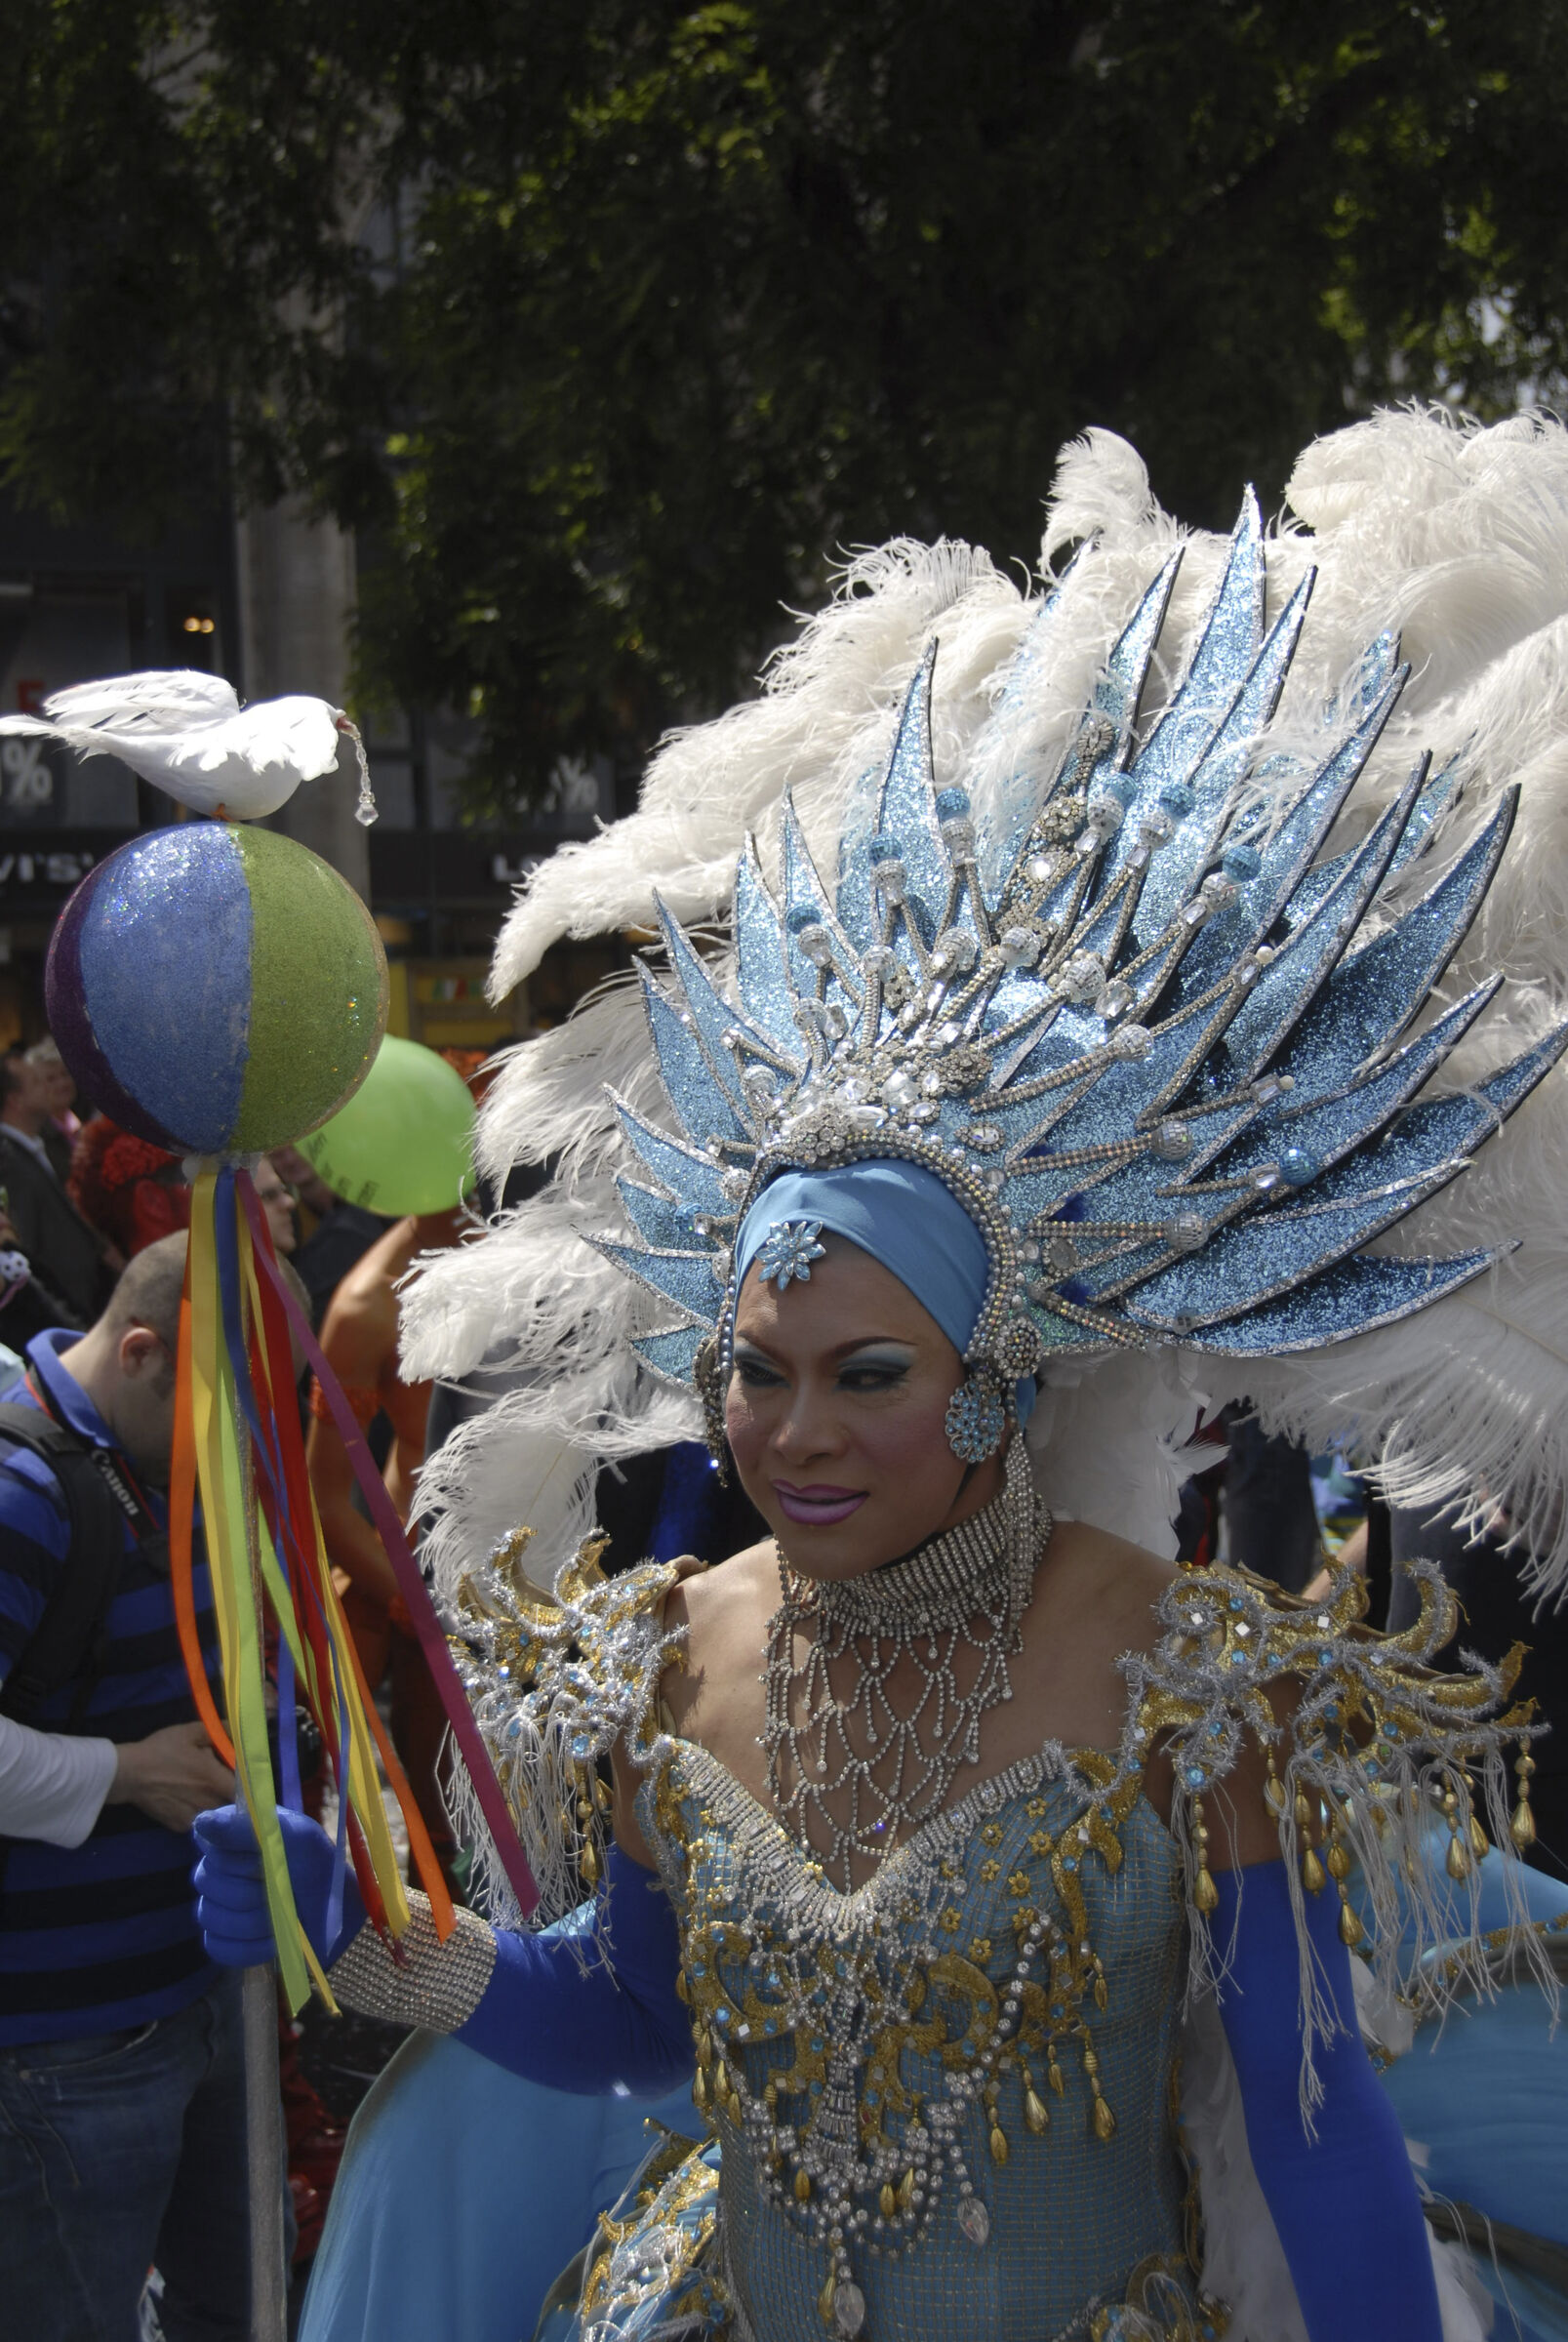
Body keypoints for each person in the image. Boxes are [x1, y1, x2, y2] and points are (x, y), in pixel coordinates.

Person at [194, 412, 1568, 2340]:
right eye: (751, 1374)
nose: (791, 1433)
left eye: (862, 1374)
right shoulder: (675, 1646)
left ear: (996, 1387)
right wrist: (390, 1952)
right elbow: (625, 2019)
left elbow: (1308, 2116)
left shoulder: (1183, 1678)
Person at [0, 1234, 260, 2342]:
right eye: (227, 1405)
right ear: (147, 1353)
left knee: (233, 2303)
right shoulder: (24, 1490)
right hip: (66, 2049)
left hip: (204, 1995)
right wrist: (125, 1773)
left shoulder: (162, 1458)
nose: (247, 1440)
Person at [305, 1208, 469, 1885]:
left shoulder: (550, 1235)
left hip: (551, 1580)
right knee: (446, 1835)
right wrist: (418, 1608)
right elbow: (324, 1502)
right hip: (429, 1593)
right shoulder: (369, 1304)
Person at [0, 1054, 116, 1324]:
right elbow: (27, 1245)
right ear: (15, 1100)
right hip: (67, 1307)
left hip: (88, 1294)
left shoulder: (33, 1145)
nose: (45, 1085)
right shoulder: (8, 1160)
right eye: (34, 1082)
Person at [25, 1035, 83, 1186]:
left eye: (65, 1074)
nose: (62, 1083)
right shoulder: (37, 1137)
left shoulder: (85, 1125)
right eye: (51, 1079)